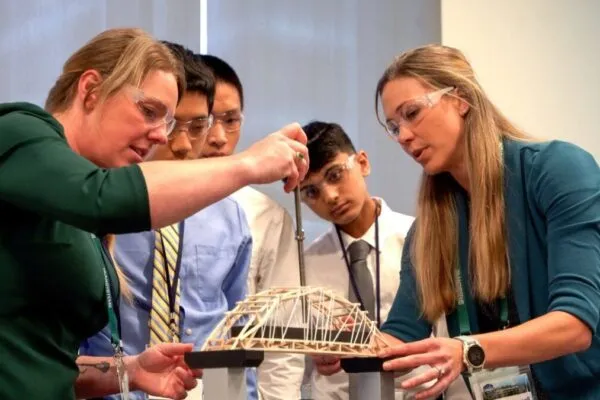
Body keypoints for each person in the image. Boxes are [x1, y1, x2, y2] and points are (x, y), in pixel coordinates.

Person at [0, 28, 308, 400]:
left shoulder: (77, 216)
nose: (162, 136)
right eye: (149, 112)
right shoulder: (17, 131)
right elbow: (103, 197)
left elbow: (50, 361)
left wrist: (129, 370)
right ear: (91, 89)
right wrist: (249, 164)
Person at [320, 44, 600, 400]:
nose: (403, 136)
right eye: (394, 126)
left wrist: (468, 349)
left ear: (461, 98)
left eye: (412, 113)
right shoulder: (430, 228)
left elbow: (575, 325)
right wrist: (354, 343)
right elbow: (403, 335)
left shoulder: (558, 170)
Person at [80, 42, 257, 400]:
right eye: (170, 123)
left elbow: (237, 331)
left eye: (197, 126)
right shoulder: (95, 202)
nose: (180, 143)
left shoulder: (227, 214)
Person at [197, 54, 305, 399]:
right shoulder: (142, 202)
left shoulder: (266, 217)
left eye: (230, 120)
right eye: (204, 121)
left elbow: (283, 344)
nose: (217, 136)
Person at [298, 121, 428, 399]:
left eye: (335, 175)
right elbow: (300, 360)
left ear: (363, 163)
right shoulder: (306, 266)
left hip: (415, 392)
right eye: (311, 192)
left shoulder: (419, 240)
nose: (330, 196)